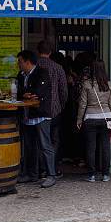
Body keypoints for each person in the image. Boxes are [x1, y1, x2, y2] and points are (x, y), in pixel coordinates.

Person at [16, 50, 55, 188]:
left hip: (41, 115)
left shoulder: (41, 73)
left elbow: (38, 93)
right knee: (29, 146)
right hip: (27, 116)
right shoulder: (21, 75)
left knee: (45, 146)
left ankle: (51, 175)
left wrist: (28, 94)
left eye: (20, 61)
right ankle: (31, 174)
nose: (18, 64)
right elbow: (19, 92)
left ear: (27, 62)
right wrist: (24, 94)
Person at [76, 59, 111, 183]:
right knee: (105, 147)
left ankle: (91, 175)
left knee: (91, 147)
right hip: (106, 117)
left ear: (92, 70)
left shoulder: (87, 84)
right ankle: (106, 174)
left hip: (90, 118)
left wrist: (79, 119)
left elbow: (82, 104)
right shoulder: (108, 84)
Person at [37, 41, 68, 178]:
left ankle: (41, 168)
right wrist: (62, 105)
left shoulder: (34, 66)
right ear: (50, 52)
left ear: (38, 51)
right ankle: (52, 168)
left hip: (36, 109)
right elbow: (63, 90)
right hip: (55, 109)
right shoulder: (58, 67)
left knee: (39, 139)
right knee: (54, 140)